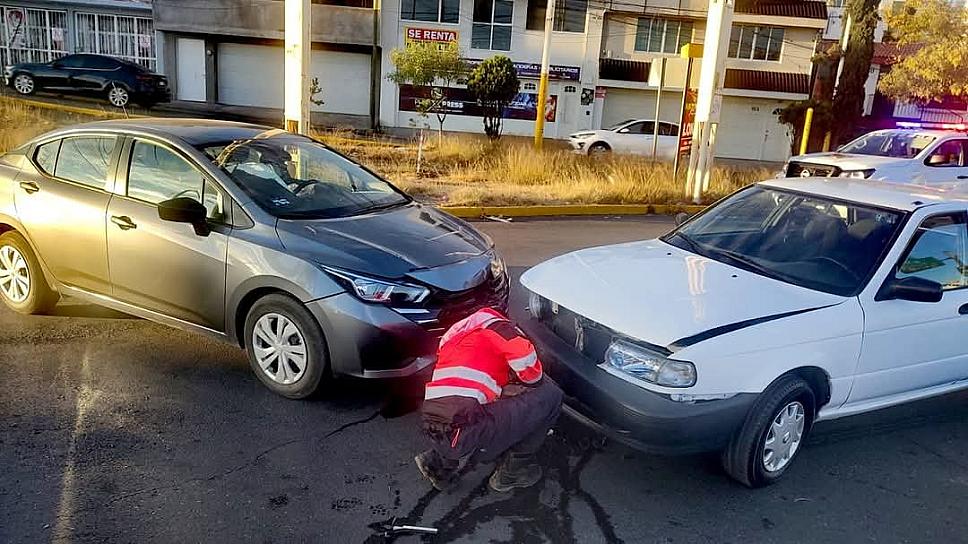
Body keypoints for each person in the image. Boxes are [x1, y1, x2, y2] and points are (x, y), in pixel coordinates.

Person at [414, 307, 563, 493]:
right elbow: (527, 363)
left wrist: (504, 390)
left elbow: (471, 382)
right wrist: (533, 383)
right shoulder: (500, 328)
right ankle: (512, 473)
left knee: (460, 419)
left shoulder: (457, 333)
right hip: (469, 429)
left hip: (435, 422)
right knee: (550, 394)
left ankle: (436, 465)